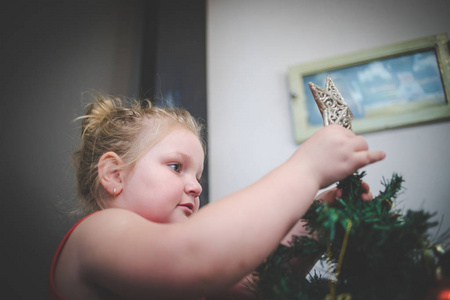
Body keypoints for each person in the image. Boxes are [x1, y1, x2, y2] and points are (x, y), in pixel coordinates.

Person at [48, 93, 385, 300]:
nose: (196, 187)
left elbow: (256, 287)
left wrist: (320, 217)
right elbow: (195, 255)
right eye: (176, 166)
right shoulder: (97, 233)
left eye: (198, 176)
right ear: (114, 175)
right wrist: (307, 169)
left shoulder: (182, 256)